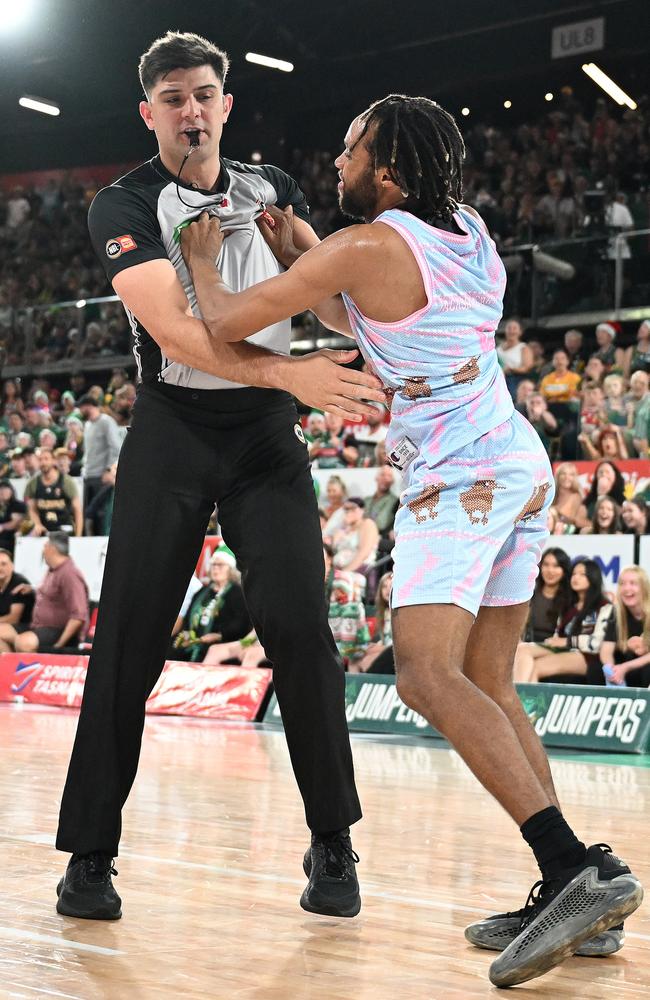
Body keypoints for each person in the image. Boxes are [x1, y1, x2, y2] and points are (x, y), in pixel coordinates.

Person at [179, 92, 642, 985]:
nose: (338, 164)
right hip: (516, 460)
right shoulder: (462, 226)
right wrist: (311, 256)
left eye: (351, 151)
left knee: (428, 676)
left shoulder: (364, 246)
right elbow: (382, 322)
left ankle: (575, 869)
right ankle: (572, 890)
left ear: (385, 170)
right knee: (490, 684)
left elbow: (227, 323)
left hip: (458, 476)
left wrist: (204, 263)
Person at [55, 31, 383, 925]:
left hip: (264, 439)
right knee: (127, 638)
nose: (191, 111)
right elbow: (178, 334)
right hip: (173, 427)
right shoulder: (119, 204)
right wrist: (293, 375)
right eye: (173, 98)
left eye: (204, 95)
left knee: (301, 633)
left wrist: (327, 264)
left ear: (226, 105)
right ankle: (89, 857)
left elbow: (326, 296)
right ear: (148, 113)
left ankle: (333, 843)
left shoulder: (271, 188)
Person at [513, 560, 610, 684]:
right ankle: (517, 699)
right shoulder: (569, 604)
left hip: (587, 655)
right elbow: (559, 634)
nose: (576, 578)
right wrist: (554, 641)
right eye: (574, 574)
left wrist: (566, 641)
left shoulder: (604, 606)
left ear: (593, 577)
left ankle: (520, 699)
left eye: (582, 574)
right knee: (522, 649)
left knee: (538, 667)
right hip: (564, 648)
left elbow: (597, 643)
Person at [0, 532, 88, 653]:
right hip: (38, 627)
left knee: (24, 643)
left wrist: (59, 645)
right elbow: (52, 593)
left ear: (52, 549)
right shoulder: (52, 570)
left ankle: (28, 670)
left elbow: (79, 615)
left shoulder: (69, 574)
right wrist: (31, 589)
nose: (43, 550)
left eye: (45, 546)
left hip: (57, 629)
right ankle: (9, 669)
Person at [173, 546, 251, 661]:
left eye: (220, 565)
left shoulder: (237, 593)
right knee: (170, 652)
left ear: (231, 568)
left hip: (221, 642)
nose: (215, 569)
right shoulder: (202, 592)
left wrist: (219, 635)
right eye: (213, 565)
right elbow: (187, 618)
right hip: (193, 643)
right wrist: (186, 635)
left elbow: (241, 623)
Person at [600, 566, 650, 687]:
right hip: (626, 664)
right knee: (596, 668)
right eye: (622, 584)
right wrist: (610, 668)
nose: (627, 588)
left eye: (633, 583)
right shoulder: (616, 612)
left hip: (642, 665)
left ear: (644, 588)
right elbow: (606, 649)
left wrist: (625, 667)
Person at [78, 394, 123, 511]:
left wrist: (109, 470)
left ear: (88, 406)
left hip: (101, 476)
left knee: (100, 513)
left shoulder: (106, 422)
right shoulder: (87, 425)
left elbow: (116, 448)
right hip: (88, 475)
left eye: (81, 408)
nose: (80, 411)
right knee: (88, 514)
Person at [24, 447, 83, 537]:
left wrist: (78, 536)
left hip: (65, 529)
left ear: (54, 461)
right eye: (40, 459)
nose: (43, 463)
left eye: (46, 459)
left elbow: (78, 511)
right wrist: (37, 524)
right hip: (43, 529)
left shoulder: (67, 481)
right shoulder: (32, 483)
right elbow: (32, 508)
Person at [524, 548, 572, 643]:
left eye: (556, 566)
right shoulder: (529, 594)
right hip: (527, 644)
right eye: (546, 565)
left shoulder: (571, 598)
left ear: (564, 570)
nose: (550, 570)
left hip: (555, 648)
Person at [331, 497, 379, 576]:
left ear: (362, 510)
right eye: (346, 509)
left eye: (353, 509)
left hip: (359, 571)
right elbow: (333, 552)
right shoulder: (344, 529)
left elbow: (363, 553)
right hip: (337, 569)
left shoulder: (368, 524)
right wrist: (335, 540)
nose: (349, 512)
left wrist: (344, 572)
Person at [496, 318, 533, 400]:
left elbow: (527, 368)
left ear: (520, 332)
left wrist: (511, 369)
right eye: (509, 328)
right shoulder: (497, 348)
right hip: (498, 378)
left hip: (515, 380)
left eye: (515, 328)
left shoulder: (524, 348)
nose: (511, 331)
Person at [0, 547, 34, 627]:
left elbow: (13, 619)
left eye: (4, 564)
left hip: (21, 627)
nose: (0, 568)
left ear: (12, 566)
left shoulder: (19, 583)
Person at [550, 463, 588, 533]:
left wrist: (553, 511)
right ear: (558, 476)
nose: (567, 477)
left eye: (571, 475)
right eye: (563, 474)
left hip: (567, 532)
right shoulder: (551, 494)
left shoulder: (576, 496)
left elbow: (567, 518)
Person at [364, 465, 399, 538]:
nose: (385, 479)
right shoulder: (366, 500)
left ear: (392, 481)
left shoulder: (395, 501)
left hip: (378, 538)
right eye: (382, 475)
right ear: (376, 478)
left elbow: (381, 524)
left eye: (389, 476)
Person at [0, 480, 27, 555]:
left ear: (11, 491)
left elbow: (16, 523)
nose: (3, 492)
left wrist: (2, 526)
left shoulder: (18, 505)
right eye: (1, 490)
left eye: (6, 489)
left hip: (12, 538)